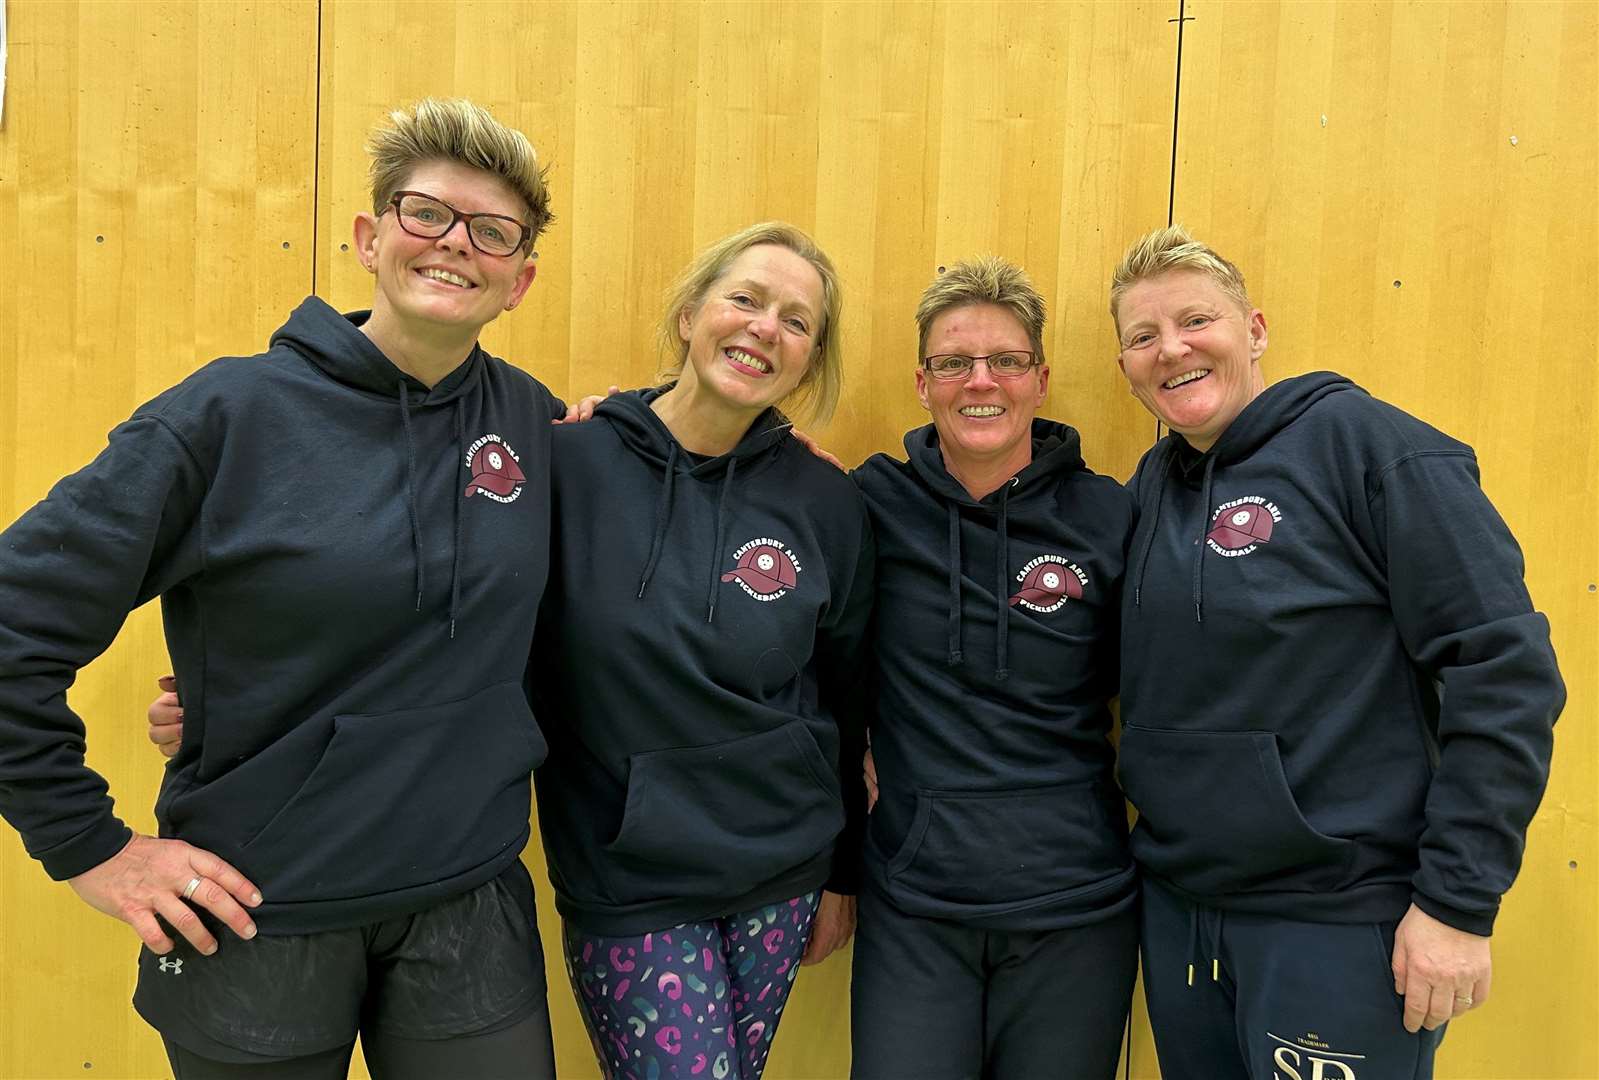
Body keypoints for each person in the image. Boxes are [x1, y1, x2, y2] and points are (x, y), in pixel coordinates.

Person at [0, 98, 579, 1079]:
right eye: (425, 213)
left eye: (492, 232)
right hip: (257, 908)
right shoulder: (225, 418)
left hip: (468, 906)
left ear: (518, 280)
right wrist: (90, 848)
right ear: (369, 236)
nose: (454, 246)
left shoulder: (533, 420)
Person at [1108, 225, 1564, 1079]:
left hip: (1343, 923)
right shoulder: (1146, 492)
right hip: (1181, 914)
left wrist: (1458, 904)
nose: (1170, 350)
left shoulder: (1373, 451)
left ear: (1254, 329)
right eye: (1141, 337)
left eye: (1194, 321)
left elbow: (1502, 674)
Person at [528, 221, 875, 1080]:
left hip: (780, 869)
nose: (766, 328)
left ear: (809, 359)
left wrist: (843, 873)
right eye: (746, 299)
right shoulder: (563, 463)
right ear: (690, 316)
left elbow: (848, 694)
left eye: (797, 321)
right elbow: (450, 618)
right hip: (628, 877)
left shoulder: (825, 499)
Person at [850, 257, 1139, 1079]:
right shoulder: (865, 504)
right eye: (954, 362)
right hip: (914, 905)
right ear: (922, 381)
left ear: (1039, 379)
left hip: (1076, 909)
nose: (981, 382)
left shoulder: (1111, 514)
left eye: (1006, 361)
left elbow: (1165, 687)